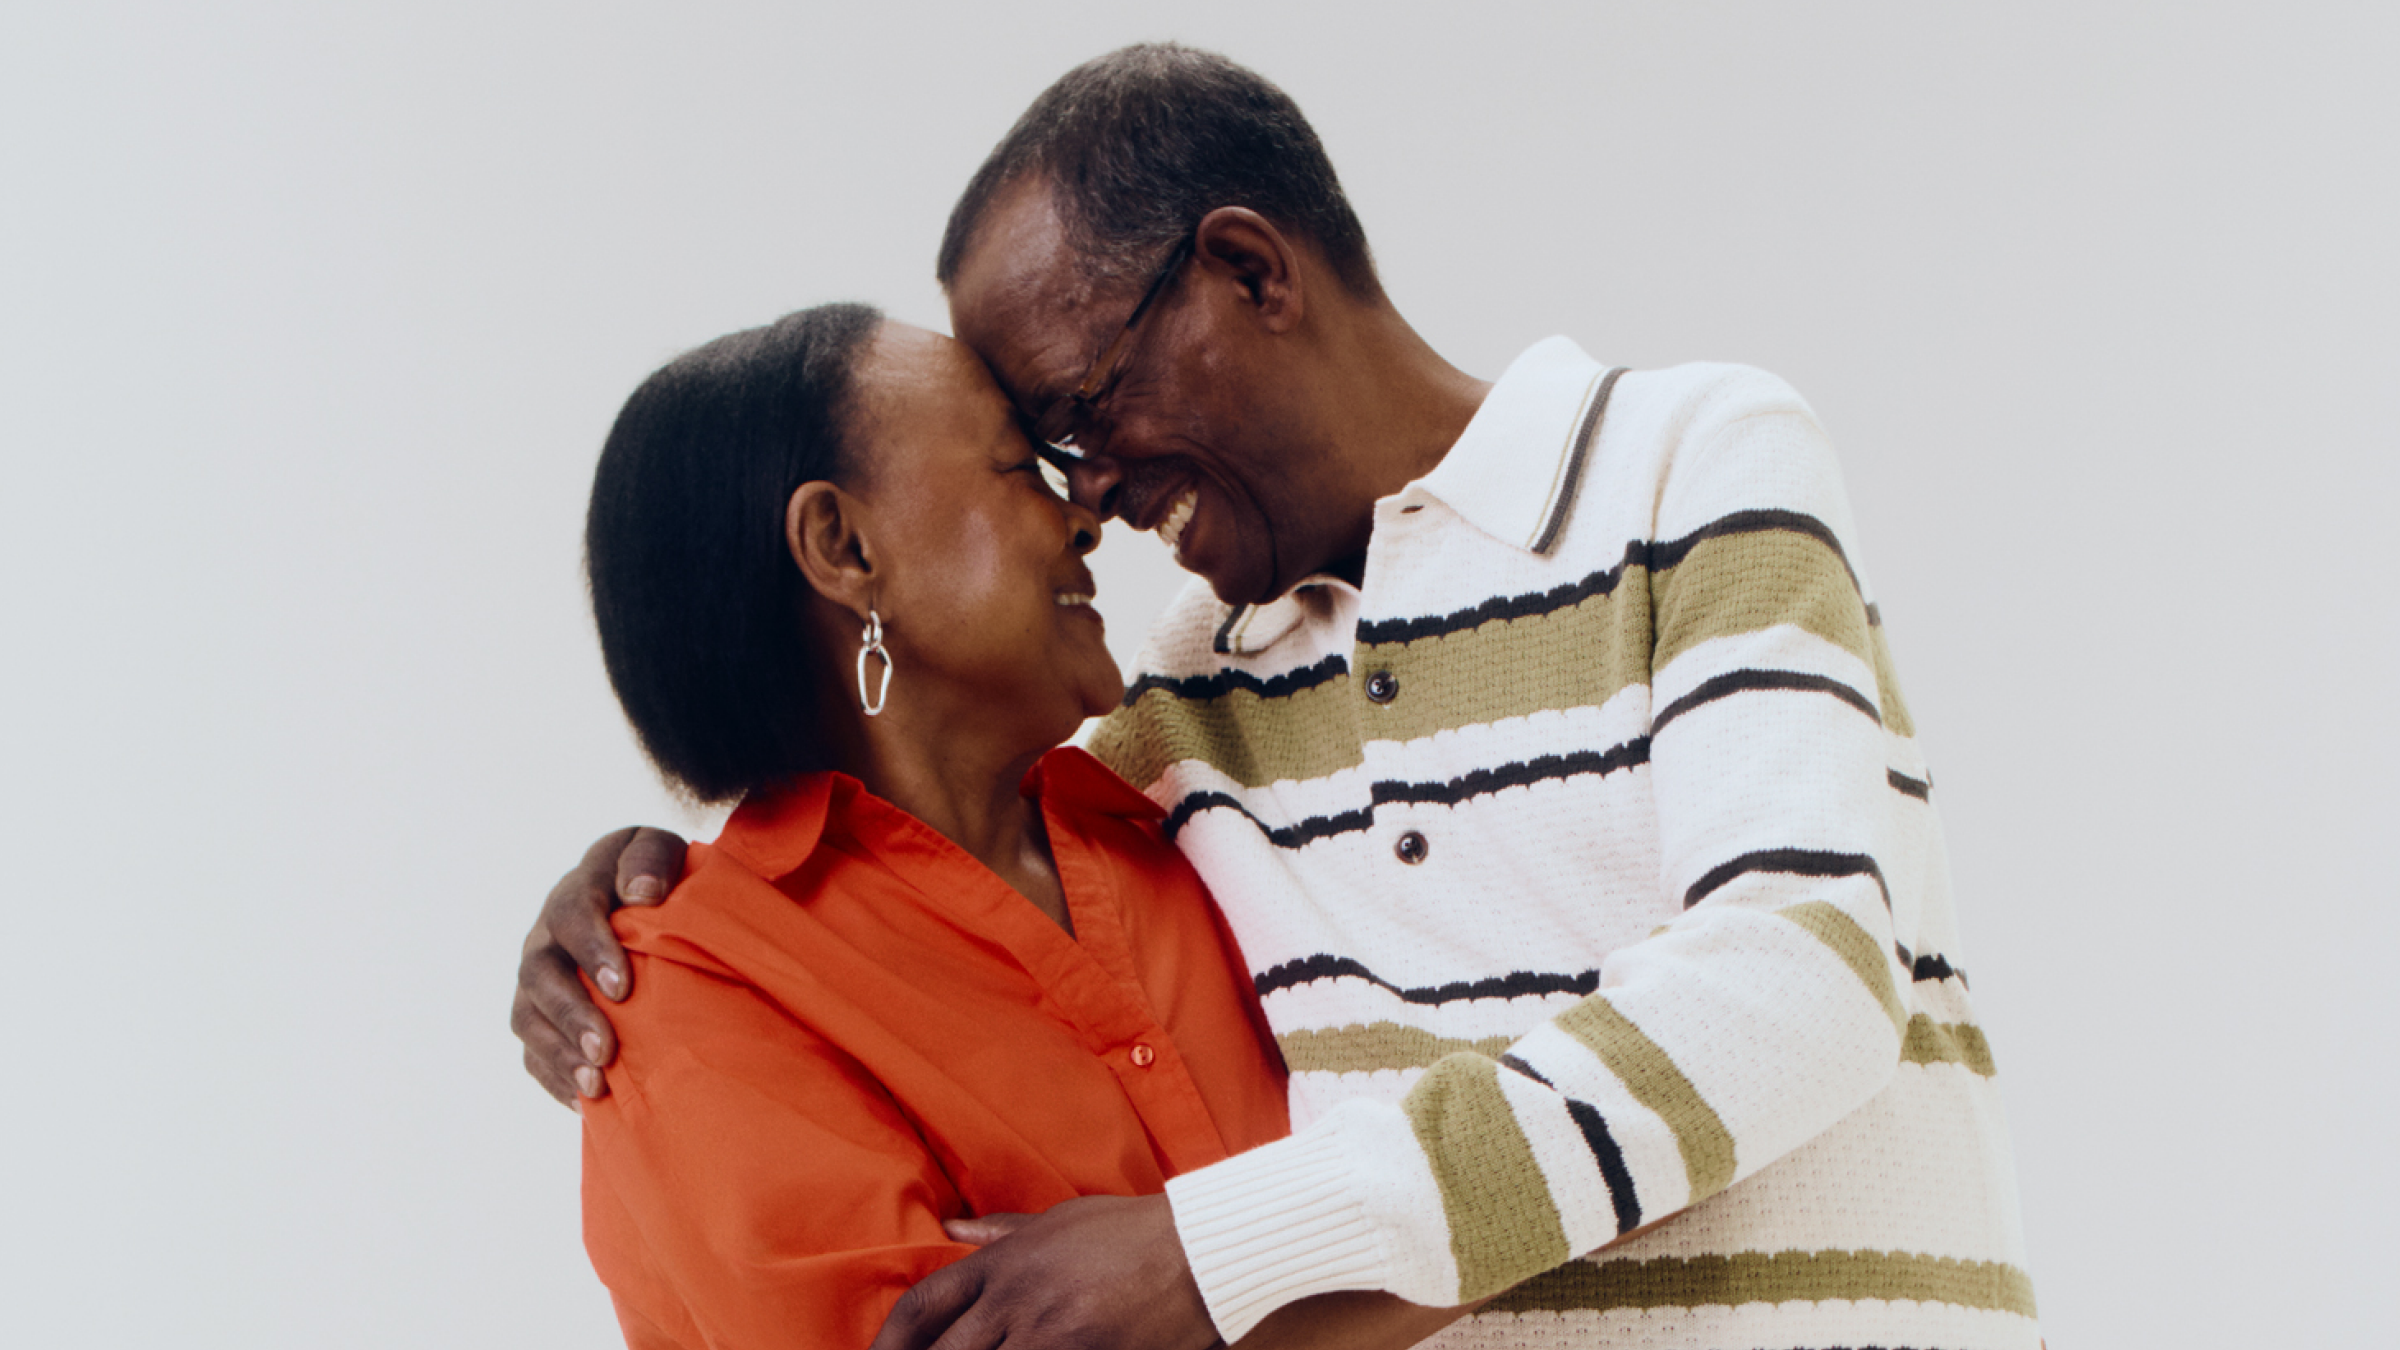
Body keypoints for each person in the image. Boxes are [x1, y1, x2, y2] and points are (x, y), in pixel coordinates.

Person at [519, 44, 2039, 1350]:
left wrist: (1210, 1253)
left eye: (1079, 414)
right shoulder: (1185, 711)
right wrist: (639, 896)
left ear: (1250, 273)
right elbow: (903, 834)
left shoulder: (1687, 465)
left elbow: (1799, 981)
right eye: (1039, 458)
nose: (1088, 501)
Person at [563, 303, 1310, 1347]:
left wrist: (1209, 1268)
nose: (1083, 518)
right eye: (1019, 468)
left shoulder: (1192, 822)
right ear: (843, 546)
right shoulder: (688, 995)